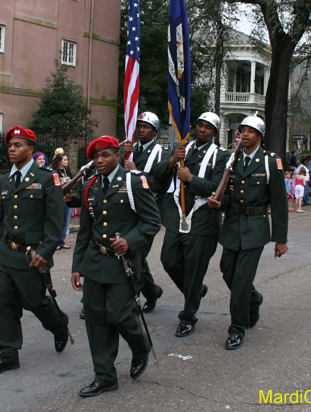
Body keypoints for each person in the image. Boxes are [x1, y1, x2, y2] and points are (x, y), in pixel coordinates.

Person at [71, 136, 160, 396]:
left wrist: (130, 241)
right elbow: (84, 231)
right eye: (95, 157)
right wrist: (77, 266)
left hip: (124, 264)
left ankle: (140, 346)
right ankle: (105, 377)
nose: (99, 161)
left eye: (105, 155)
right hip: (95, 262)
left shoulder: (133, 182)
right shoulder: (89, 186)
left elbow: (152, 222)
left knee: (120, 315)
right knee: (96, 320)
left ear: (117, 156)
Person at [0, 126, 70, 377]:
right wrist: (0, 246)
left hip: (33, 255)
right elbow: (3, 218)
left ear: (30, 149)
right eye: (10, 145)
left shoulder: (47, 178)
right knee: (2, 302)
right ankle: (7, 354)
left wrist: (46, 251)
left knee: (35, 302)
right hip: (6, 253)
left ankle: (58, 324)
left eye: (17, 145)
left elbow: (55, 220)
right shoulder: (4, 180)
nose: (11, 149)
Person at [207, 115, 289, 350]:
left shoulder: (269, 162)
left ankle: (237, 328)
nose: (245, 134)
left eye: (251, 131)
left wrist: (280, 239)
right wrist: (218, 202)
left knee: (242, 280)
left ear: (260, 136)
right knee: (228, 272)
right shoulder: (232, 160)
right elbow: (227, 194)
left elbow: (280, 202)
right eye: (242, 130)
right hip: (233, 225)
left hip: (255, 228)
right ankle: (253, 299)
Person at [151, 112, 228, 338]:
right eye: (200, 125)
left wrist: (190, 178)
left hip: (203, 220)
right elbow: (157, 175)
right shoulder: (183, 149)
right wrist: (172, 160)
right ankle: (195, 291)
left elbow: (216, 188)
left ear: (215, 132)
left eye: (208, 127)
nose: (202, 130)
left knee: (194, 270)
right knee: (168, 260)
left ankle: (188, 316)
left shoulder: (221, 155)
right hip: (176, 216)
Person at [121, 111, 164, 313]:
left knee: (136, 256)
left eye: (146, 127)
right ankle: (152, 291)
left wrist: (137, 170)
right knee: (134, 256)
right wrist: (121, 156)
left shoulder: (160, 153)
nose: (141, 130)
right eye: (139, 126)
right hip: (127, 209)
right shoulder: (130, 150)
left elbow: (160, 183)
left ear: (154, 132)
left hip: (148, 211)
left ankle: (132, 299)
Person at [51, 153, 73, 250]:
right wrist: (62, 181)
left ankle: (61, 241)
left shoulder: (67, 171)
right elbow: (53, 186)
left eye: (67, 159)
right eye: (64, 160)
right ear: (59, 161)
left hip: (67, 197)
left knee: (66, 221)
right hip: (58, 198)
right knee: (57, 221)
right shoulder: (54, 172)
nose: (67, 161)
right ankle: (54, 241)